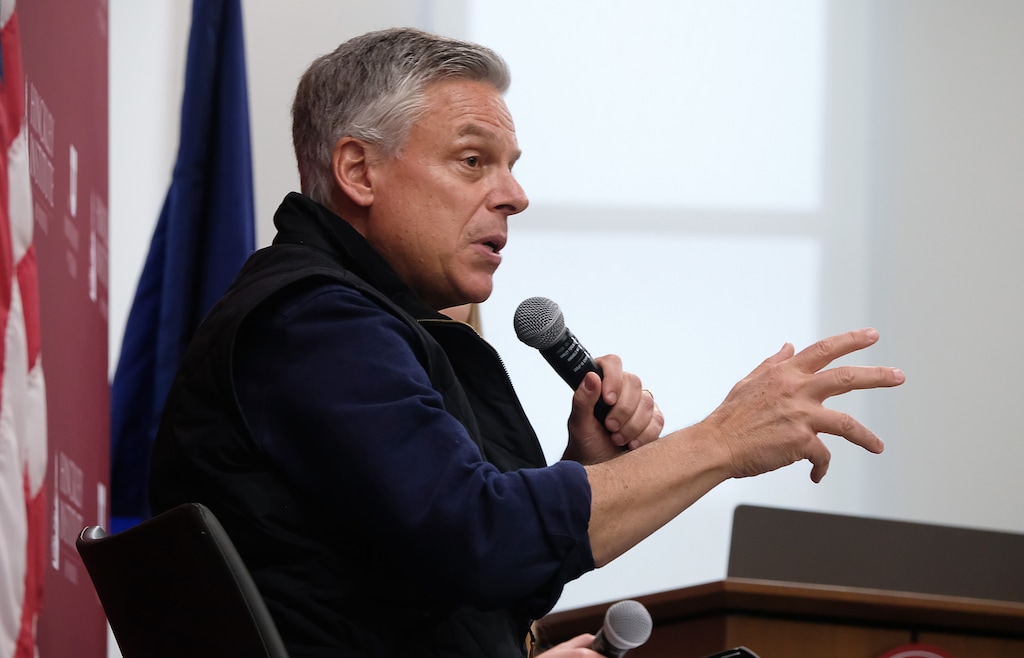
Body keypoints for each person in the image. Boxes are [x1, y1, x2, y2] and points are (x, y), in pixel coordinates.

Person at [148, 27, 905, 658]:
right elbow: (481, 539)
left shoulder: (349, 320)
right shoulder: (314, 324)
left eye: (512, 167)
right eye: (473, 161)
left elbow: (464, 571)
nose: (514, 195)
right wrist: (723, 441)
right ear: (359, 170)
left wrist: (587, 469)